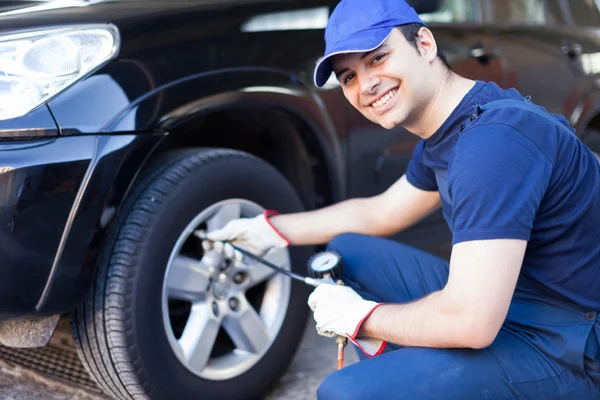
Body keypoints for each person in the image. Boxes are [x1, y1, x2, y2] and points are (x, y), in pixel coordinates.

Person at [204, 0, 600, 398]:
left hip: (574, 343)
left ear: (424, 44)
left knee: (346, 393)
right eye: (349, 78)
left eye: (378, 58)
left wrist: (363, 318)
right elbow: (380, 213)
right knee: (347, 253)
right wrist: (269, 230)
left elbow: (471, 322)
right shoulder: (453, 127)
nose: (366, 85)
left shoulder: (492, 142)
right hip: (516, 299)